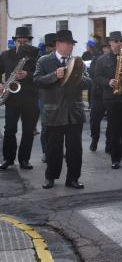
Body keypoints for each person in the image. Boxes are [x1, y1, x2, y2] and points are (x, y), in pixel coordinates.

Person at [34, 30, 90, 189]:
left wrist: (76, 77)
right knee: (53, 149)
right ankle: (50, 177)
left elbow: (89, 83)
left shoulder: (77, 61)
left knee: (75, 150)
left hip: (74, 113)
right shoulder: (44, 61)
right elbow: (37, 81)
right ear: (58, 44)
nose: (71, 46)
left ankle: (73, 178)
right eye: (68, 43)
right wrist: (54, 75)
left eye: (72, 44)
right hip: (54, 112)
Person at [93, 31, 122, 169]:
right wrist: (108, 81)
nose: (118, 44)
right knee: (114, 129)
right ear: (110, 43)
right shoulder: (102, 59)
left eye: (120, 41)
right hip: (112, 99)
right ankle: (115, 158)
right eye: (115, 41)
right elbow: (96, 77)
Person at [0, 26, 39, 170]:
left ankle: (24, 160)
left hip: (30, 99)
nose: (22, 44)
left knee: (28, 131)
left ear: (29, 42)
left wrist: (27, 75)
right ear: (15, 41)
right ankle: (8, 159)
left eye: (25, 41)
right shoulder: (6, 55)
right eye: (19, 41)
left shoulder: (36, 56)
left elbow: (41, 75)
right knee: (9, 129)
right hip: (11, 98)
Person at [89, 38, 110, 152]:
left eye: (109, 46)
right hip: (98, 94)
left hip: (111, 94)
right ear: (103, 48)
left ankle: (109, 143)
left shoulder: (117, 58)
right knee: (94, 120)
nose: (108, 49)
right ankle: (94, 139)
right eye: (106, 47)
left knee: (111, 121)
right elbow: (92, 74)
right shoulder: (97, 59)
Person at [39, 33, 57, 163]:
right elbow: (38, 80)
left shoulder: (63, 59)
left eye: (52, 46)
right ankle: (46, 152)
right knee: (46, 127)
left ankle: (58, 151)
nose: (50, 49)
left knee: (60, 126)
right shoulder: (42, 60)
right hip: (45, 98)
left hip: (60, 97)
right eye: (48, 46)